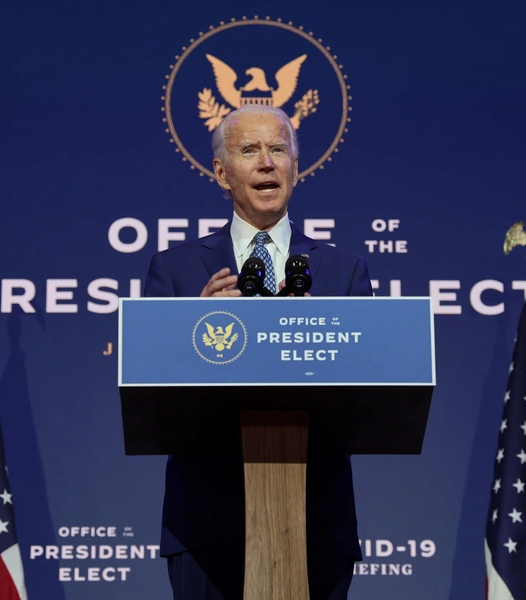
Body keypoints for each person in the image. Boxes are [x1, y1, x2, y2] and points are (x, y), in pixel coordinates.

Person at [143, 104, 372, 600]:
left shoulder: (344, 273)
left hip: (316, 520)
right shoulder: (175, 271)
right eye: (249, 151)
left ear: (295, 167)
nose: (267, 163)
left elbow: (365, 400)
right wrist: (191, 332)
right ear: (222, 173)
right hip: (205, 524)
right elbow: (154, 397)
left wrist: (323, 334)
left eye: (278, 150)